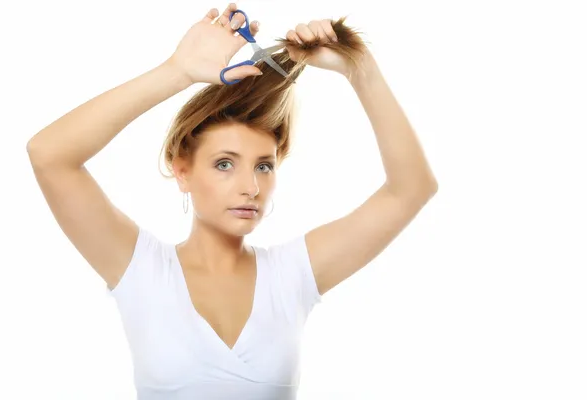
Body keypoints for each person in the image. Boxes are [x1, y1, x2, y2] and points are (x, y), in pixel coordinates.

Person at [27, 3, 438, 399]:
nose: (251, 187)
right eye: (225, 164)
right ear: (182, 170)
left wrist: (359, 69)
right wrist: (176, 73)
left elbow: (412, 188)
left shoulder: (292, 275)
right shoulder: (142, 270)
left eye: (263, 166)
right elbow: (49, 155)